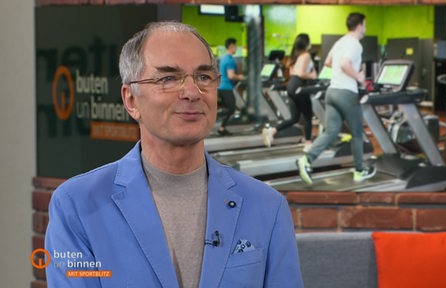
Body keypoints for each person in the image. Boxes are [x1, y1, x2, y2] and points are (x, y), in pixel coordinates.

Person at [45, 21, 303, 288]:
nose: (192, 93)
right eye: (168, 78)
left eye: (203, 77)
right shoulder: (77, 205)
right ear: (131, 100)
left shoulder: (267, 207)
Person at [296, 12, 376, 185]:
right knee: (356, 133)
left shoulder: (340, 42)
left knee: (331, 131)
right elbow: (344, 64)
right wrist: (359, 76)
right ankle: (359, 171)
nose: (365, 28)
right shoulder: (355, 44)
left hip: (332, 92)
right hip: (346, 93)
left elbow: (328, 62)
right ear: (360, 25)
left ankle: (307, 159)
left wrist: (344, 73)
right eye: (365, 25)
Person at [262, 33, 317, 150]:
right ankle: (308, 143)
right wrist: (312, 75)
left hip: (291, 86)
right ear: (306, 43)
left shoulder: (294, 56)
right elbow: (301, 73)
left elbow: (293, 72)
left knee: (294, 118)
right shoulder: (306, 55)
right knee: (308, 116)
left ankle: (272, 131)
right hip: (299, 86)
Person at [217, 38, 245, 136]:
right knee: (231, 108)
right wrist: (240, 77)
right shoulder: (229, 60)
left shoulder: (223, 58)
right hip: (226, 87)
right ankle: (219, 124)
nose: (236, 48)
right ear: (231, 46)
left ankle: (221, 127)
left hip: (221, 86)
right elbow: (231, 75)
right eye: (235, 46)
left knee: (228, 108)